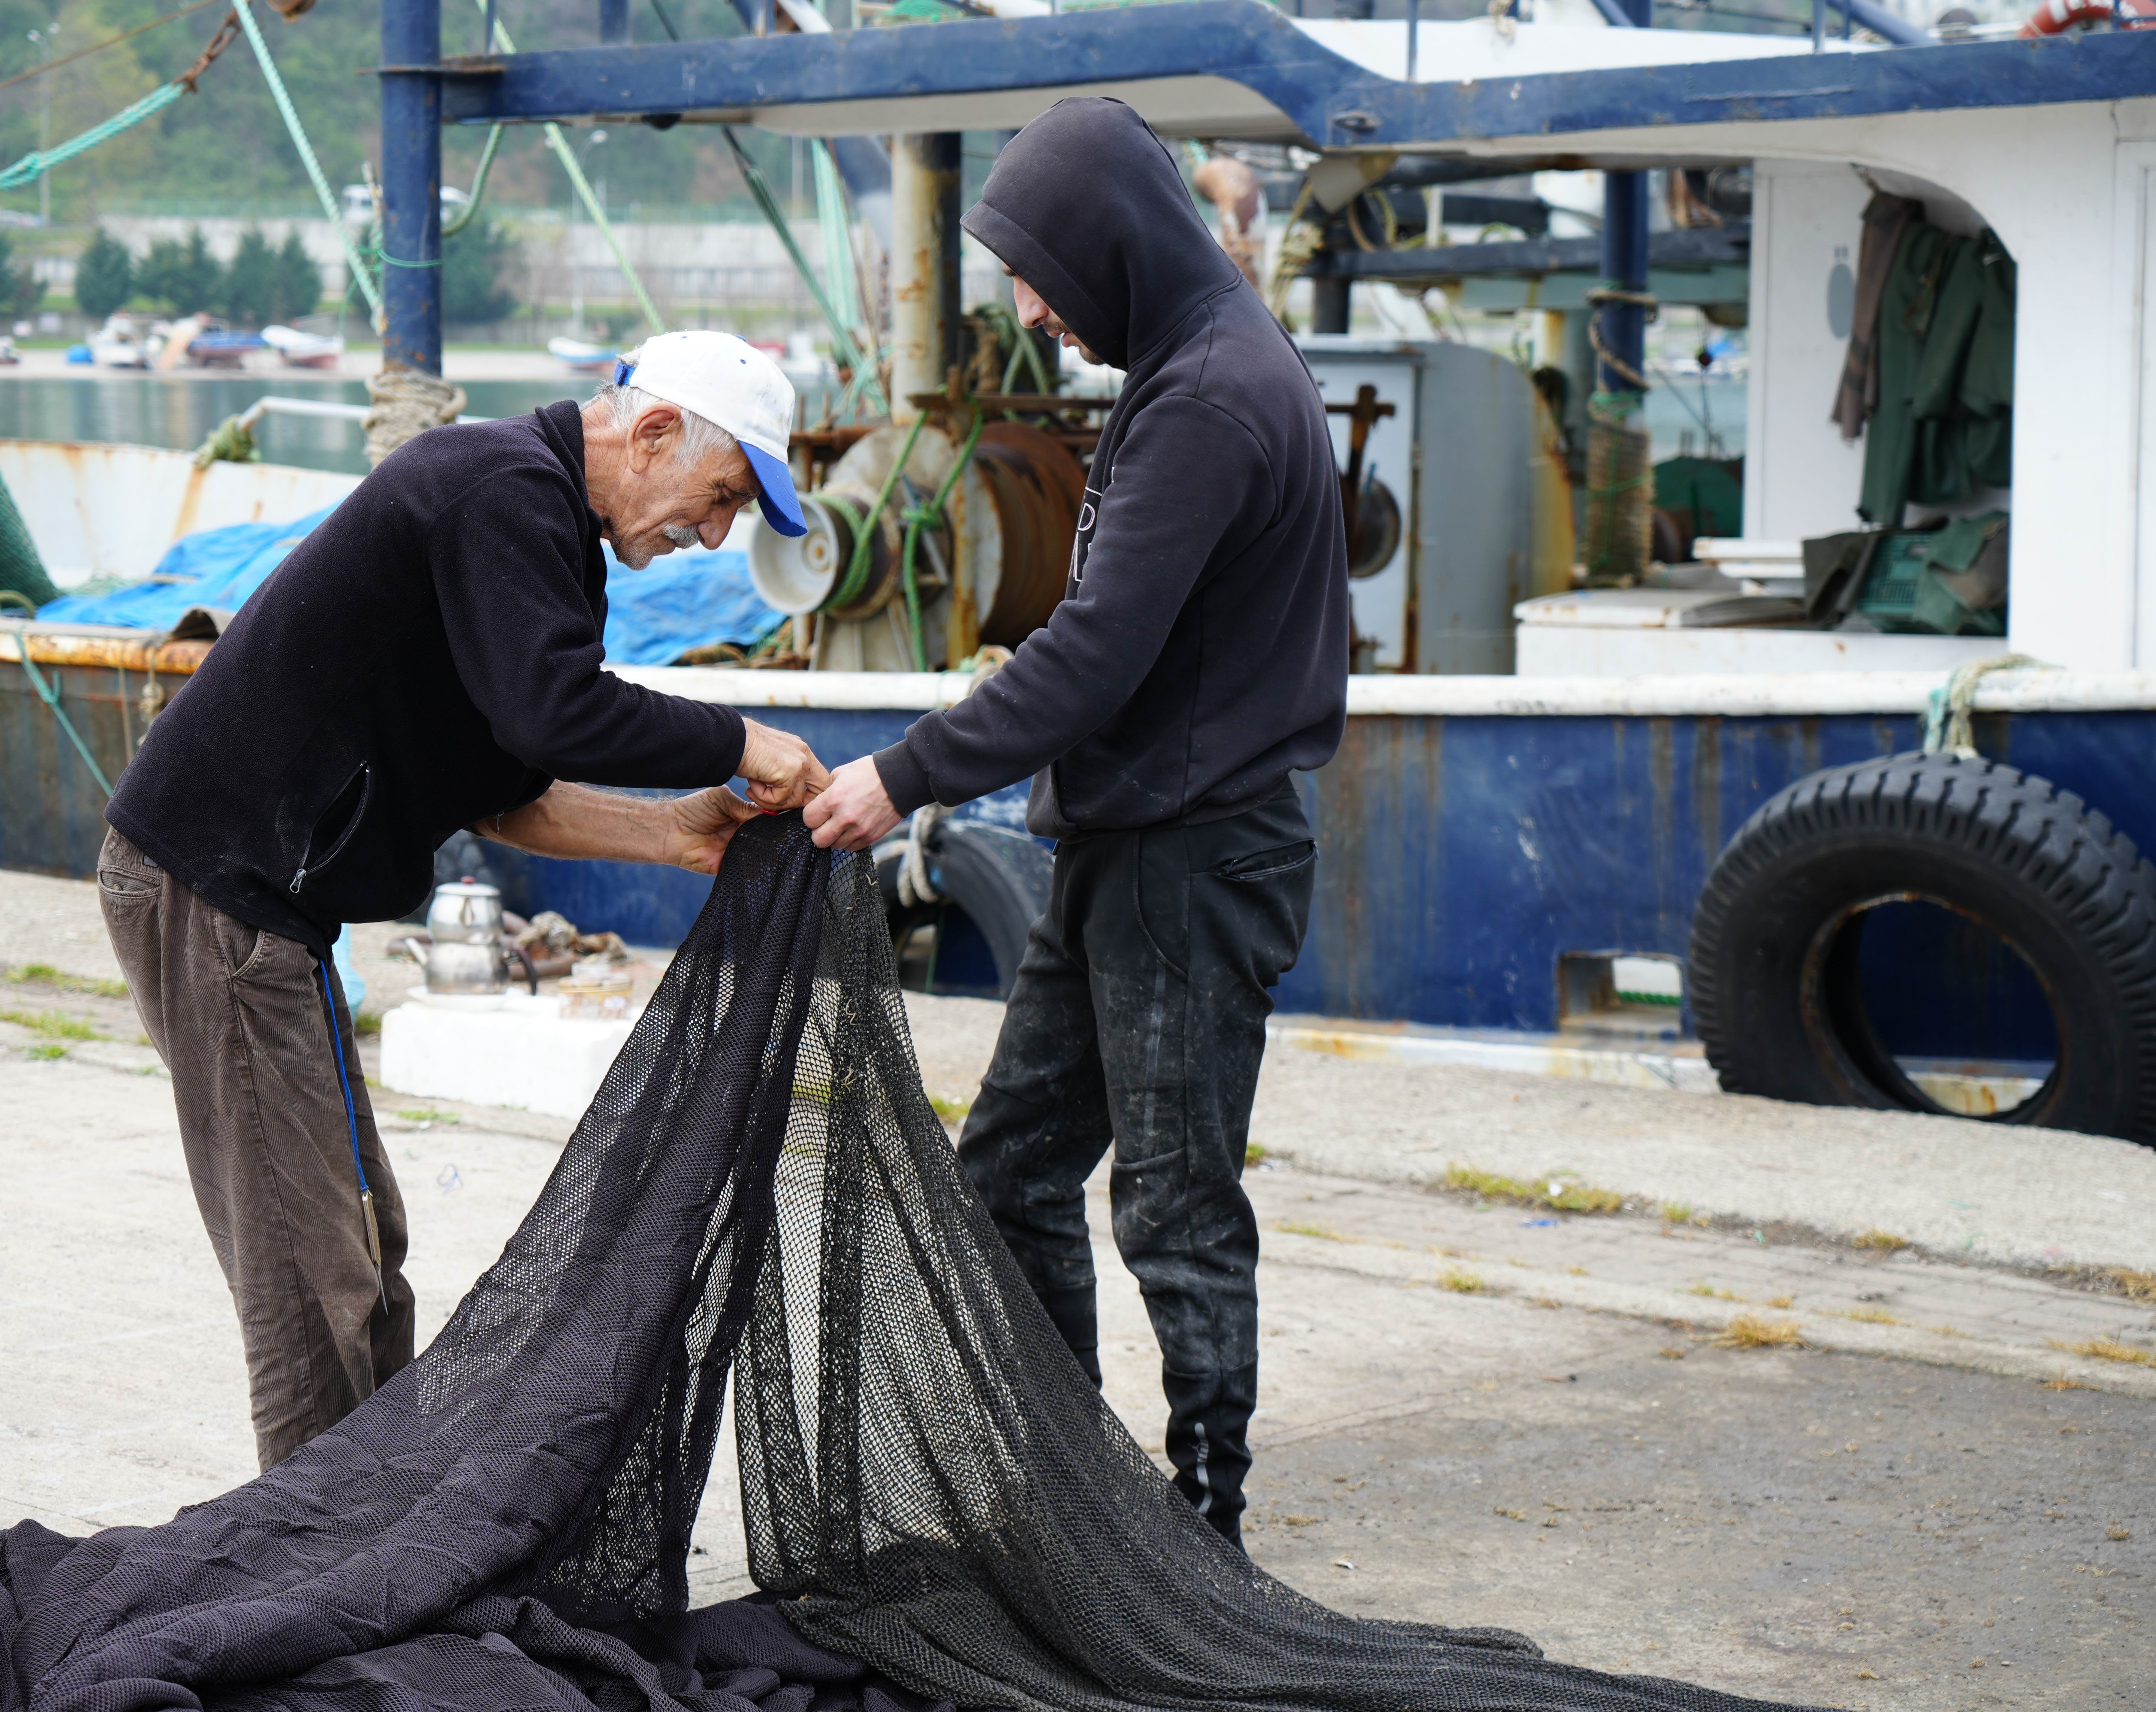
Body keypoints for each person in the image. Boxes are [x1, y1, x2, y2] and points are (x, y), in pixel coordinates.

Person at [101, 332, 829, 1471]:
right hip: (216, 890)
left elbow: (505, 790)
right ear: (649, 434)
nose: (715, 533)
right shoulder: (504, 491)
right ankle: (301, 1575)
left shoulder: (543, 528)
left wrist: (669, 833)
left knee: (362, 1240)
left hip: (265, 908)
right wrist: (740, 739)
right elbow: (555, 715)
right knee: (311, 1275)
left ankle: (367, 1529)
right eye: (723, 495)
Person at [804, 98, 1348, 1545]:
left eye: (1041, 273)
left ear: (1111, 244)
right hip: (1129, 839)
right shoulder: (1189, 365)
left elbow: (1097, 654)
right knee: (1015, 1172)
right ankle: (1074, 1491)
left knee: (1172, 1206)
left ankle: (1201, 1532)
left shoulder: (1213, 395)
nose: (1031, 309)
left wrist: (901, 776)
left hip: (1194, 858)